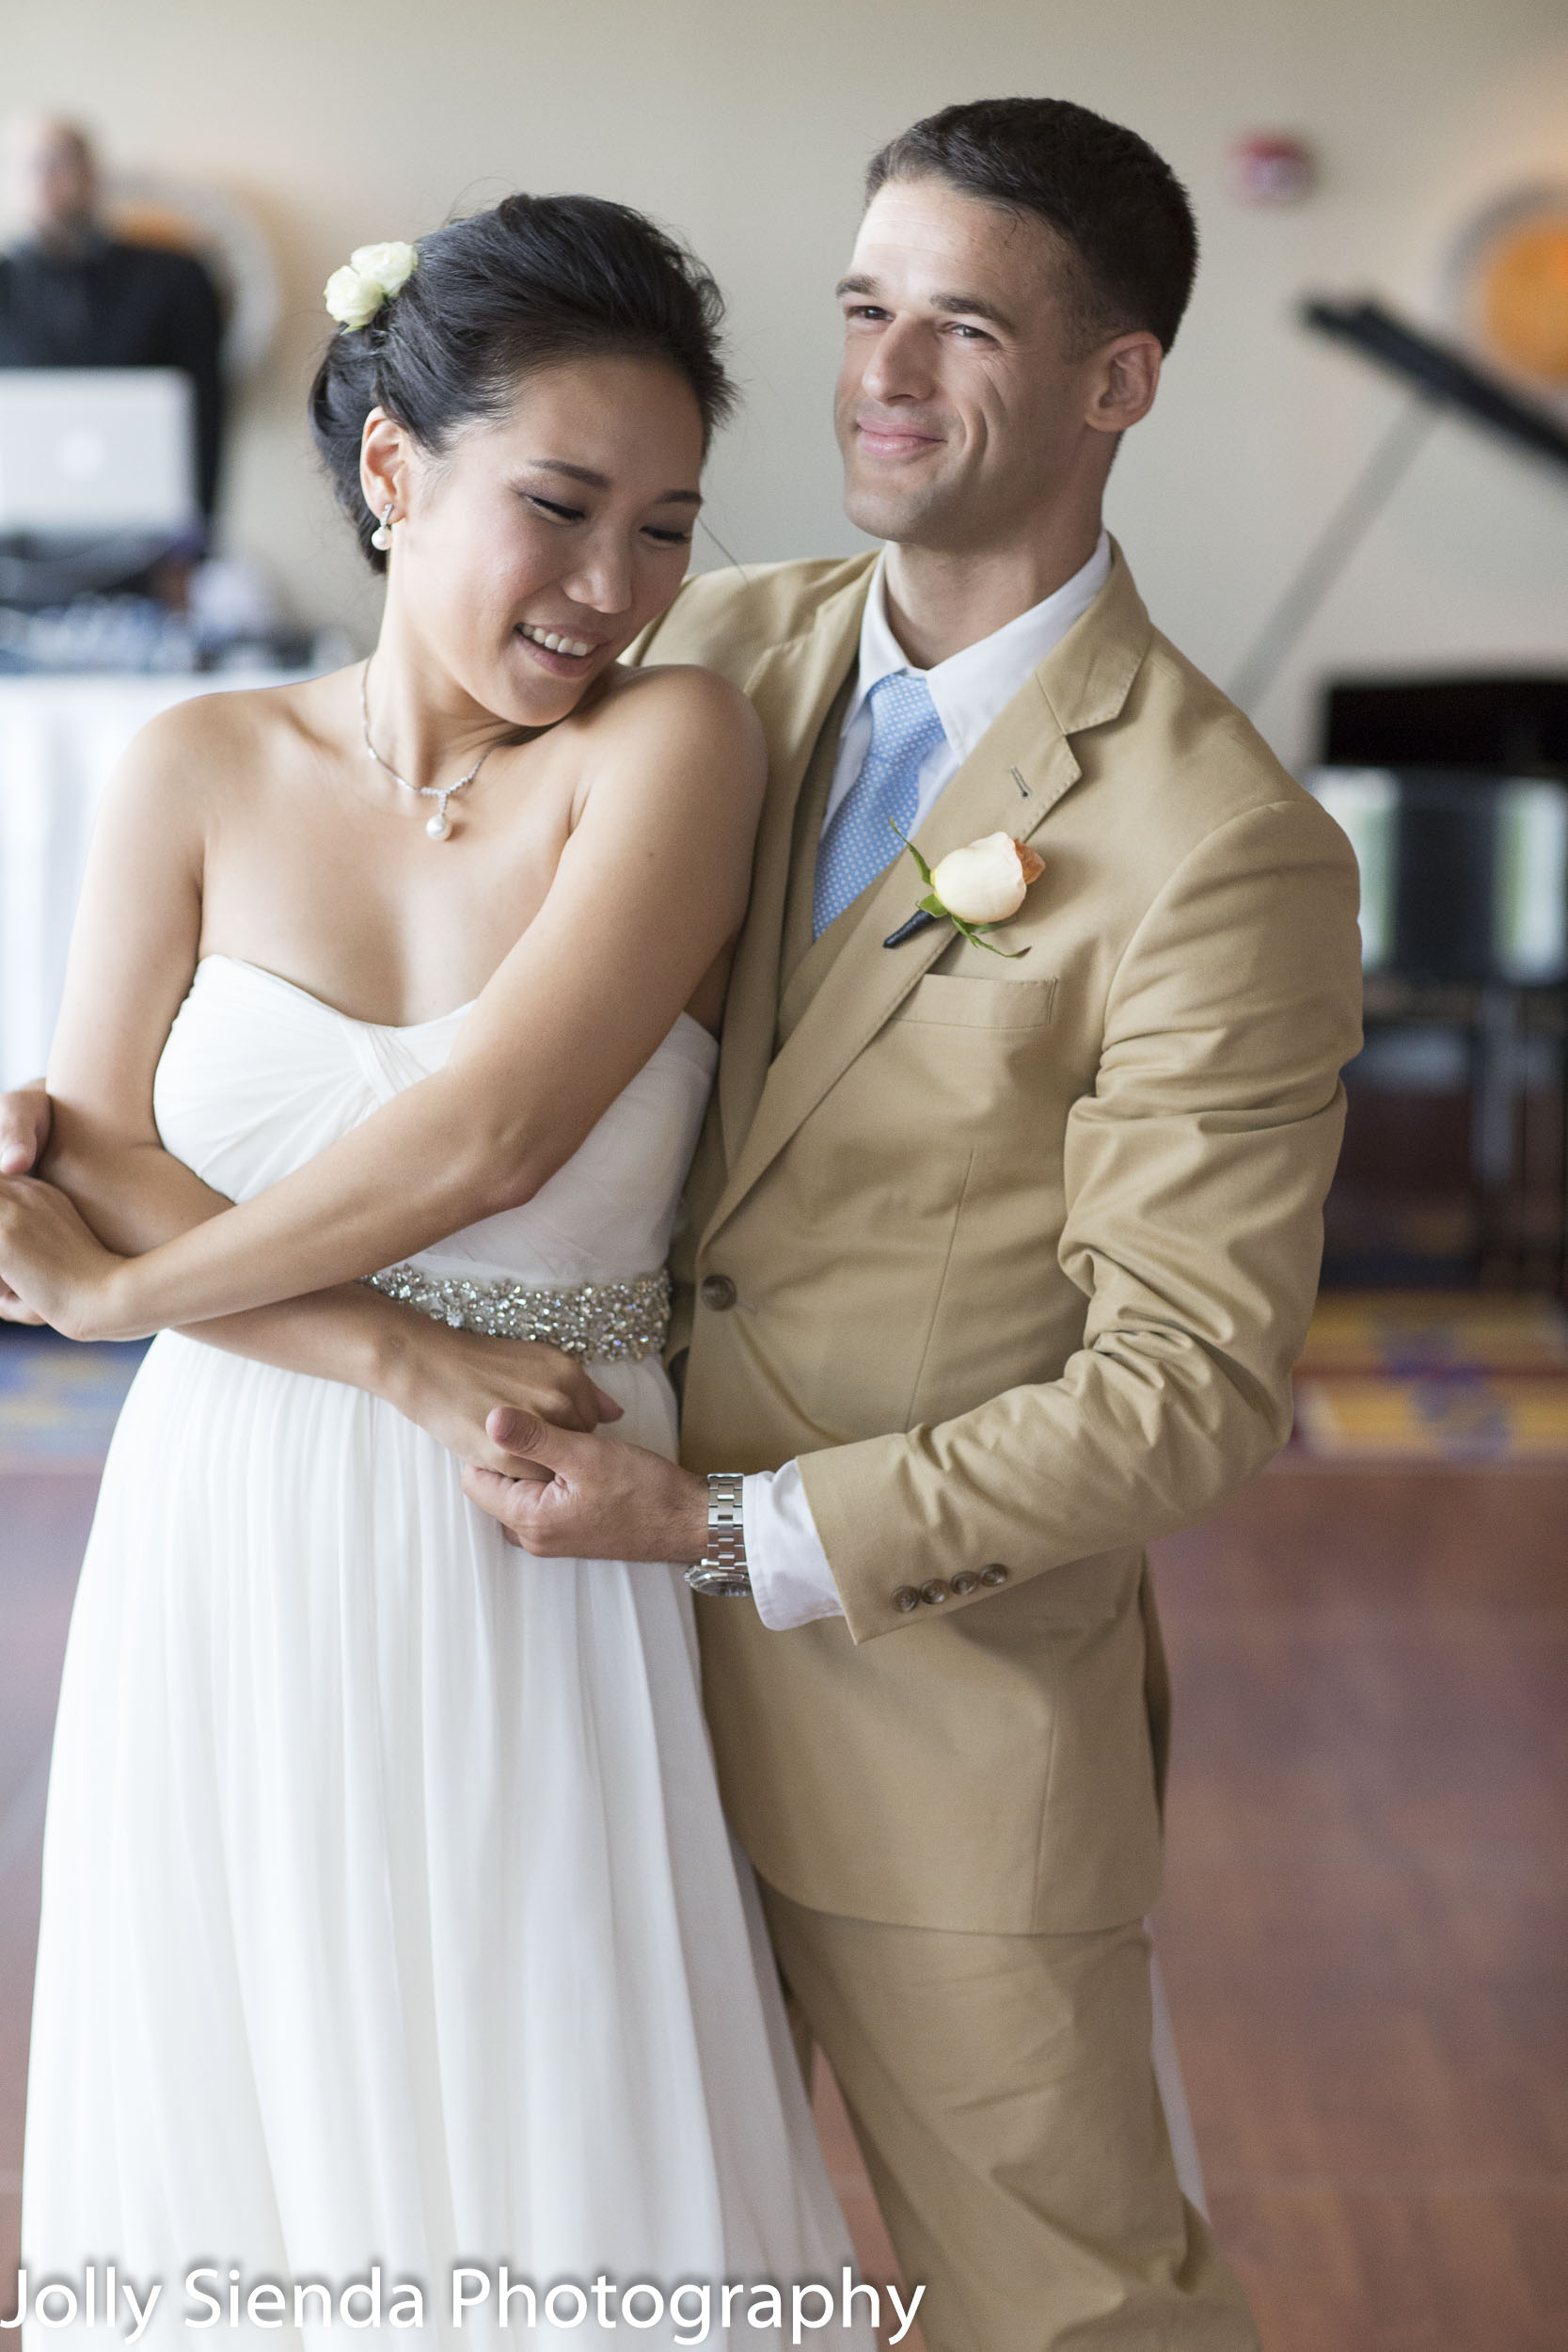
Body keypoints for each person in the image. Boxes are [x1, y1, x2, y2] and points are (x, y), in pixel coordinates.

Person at [407, 98, 1368, 2348]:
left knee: (1070, 2314)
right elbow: (395, 888)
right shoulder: (705, 651)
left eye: (962, 326)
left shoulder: (1223, 843)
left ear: (1115, 382)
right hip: (570, 1687)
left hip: (938, 1731)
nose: (884, 374)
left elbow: (1187, 1396)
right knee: (616, 2284)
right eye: (862, 311)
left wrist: (728, 1527)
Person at [0, 193, 872, 2348]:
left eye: (665, 529)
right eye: (559, 508)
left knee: (564, 2127)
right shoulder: (192, 764)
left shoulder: (671, 752)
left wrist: (114, 1301)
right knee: (251, 2115)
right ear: (397, 476)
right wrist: (386, 1365)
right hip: (234, 1519)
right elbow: (98, 1153)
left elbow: (491, 1134)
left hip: (549, 1534)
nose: (612, 589)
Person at [0, 113, 226, 525]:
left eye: (59, 164)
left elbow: (206, 413)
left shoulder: (174, 279)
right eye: (29, 166)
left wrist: (195, 540)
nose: (45, 181)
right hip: (18, 533)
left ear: (93, 175)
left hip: (143, 524)